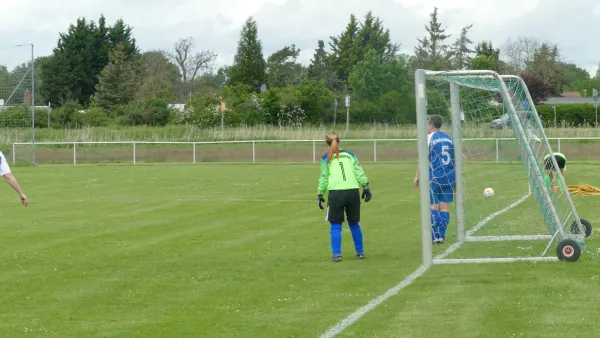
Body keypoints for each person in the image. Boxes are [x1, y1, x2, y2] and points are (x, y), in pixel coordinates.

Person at [317, 131, 372, 262]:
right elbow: (359, 171)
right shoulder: (350, 155)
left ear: (327, 143)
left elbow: (324, 178)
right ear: (339, 141)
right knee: (354, 224)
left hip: (336, 193)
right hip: (352, 191)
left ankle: (337, 255)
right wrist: (366, 187)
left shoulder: (326, 158)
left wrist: (320, 194)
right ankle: (360, 253)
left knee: (335, 225)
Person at [413, 114, 455, 244]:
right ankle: (441, 236)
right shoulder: (449, 138)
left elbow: (423, 160)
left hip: (435, 176)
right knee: (444, 207)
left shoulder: (428, 138)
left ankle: (435, 235)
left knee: (432, 206)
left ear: (431, 124)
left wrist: (417, 176)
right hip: (449, 176)